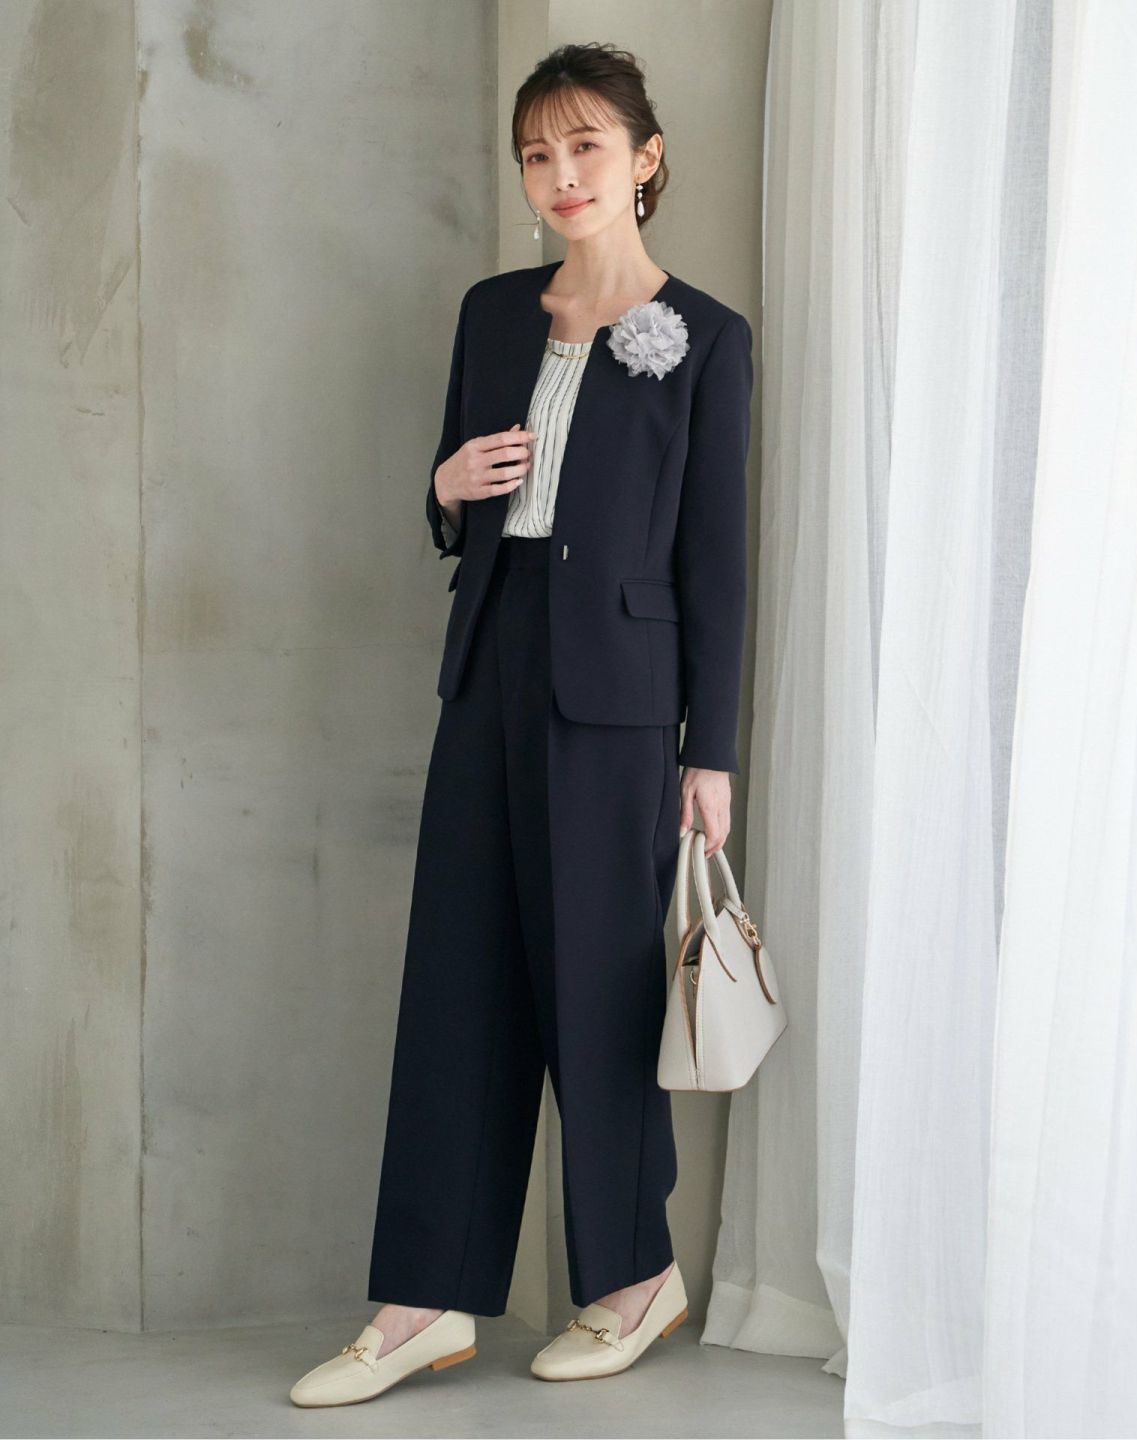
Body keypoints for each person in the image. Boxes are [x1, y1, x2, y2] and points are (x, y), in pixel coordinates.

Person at [290, 40, 752, 1406]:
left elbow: (715, 565)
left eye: (585, 147)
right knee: (458, 977)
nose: (560, 175)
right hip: (489, 669)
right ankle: (423, 1298)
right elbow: (459, 509)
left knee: (597, 991)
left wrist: (710, 752)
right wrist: (445, 486)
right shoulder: (493, 313)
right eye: (538, 155)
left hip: (620, 702)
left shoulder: (703, 337)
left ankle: (634, 1279)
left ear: (645, 159)